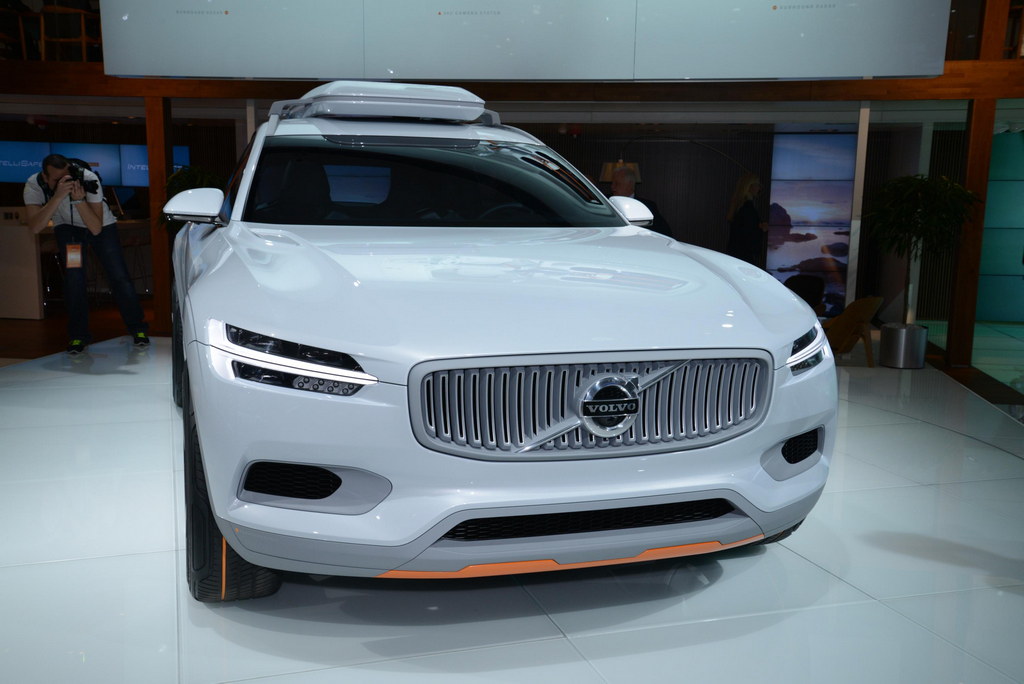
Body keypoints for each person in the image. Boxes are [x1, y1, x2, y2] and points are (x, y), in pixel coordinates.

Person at [24, 154, 149, 354]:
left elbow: (96, 228)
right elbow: (35, 227)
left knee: (119, 277)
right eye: (56, 179)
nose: (64, 181)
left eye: (66, 176)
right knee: (75, 279)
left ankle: (138, 329)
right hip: (69, 230)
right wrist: (57, 196)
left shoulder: (87, 178)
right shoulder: (34, 185)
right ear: (45, 177)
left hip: (101, 226)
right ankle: (78, 336)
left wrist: (79, 200)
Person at [609, 166, 672, 238]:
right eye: (612, 183)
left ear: (629, 185)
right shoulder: (606, 203)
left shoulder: (648, 206)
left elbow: (665, 232)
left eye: (617, 184)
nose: (612, 187)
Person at [725, 172, 768, 267]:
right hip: (744, 256)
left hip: (736, 254)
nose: (759, 188)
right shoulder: (747, 208)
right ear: (749, 186)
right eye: (757, 185)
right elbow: (748, 235)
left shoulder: (739, 206)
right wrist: (761, 229)